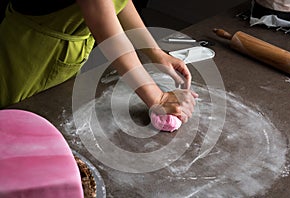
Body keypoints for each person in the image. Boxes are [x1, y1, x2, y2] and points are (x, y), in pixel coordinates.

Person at [0, 0, 198, 123]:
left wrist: (155, 52)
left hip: (64, 51)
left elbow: (119, 2)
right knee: (14, 124)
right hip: (28, 56)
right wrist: (158, 98)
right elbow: (107, 31)